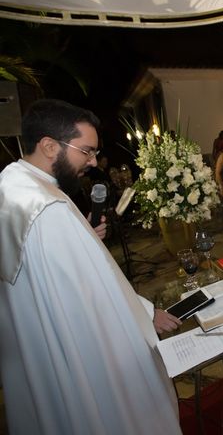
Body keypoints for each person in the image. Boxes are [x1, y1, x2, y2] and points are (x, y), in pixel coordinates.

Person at [0, 99, 182, 434]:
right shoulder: (48, 207)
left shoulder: (13, 183)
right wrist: (144, 313)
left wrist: (81, 234)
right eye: (86, 151)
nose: (93, 162)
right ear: (49, 145)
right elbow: (91, 297)